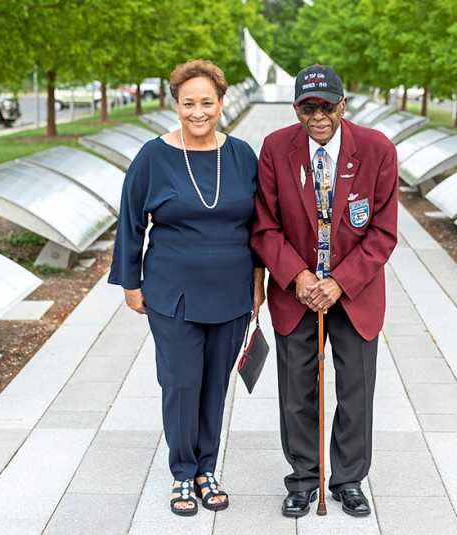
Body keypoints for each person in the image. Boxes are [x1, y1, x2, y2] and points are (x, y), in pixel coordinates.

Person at [108, 59, 265, 517]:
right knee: (180, 383)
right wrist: (130, 284)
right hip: (171, 292)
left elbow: (258, 226)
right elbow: (131, 223)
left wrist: (259, 281)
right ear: (175, 105)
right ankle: (182, 473)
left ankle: (206, 469)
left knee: (215, 382)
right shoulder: (152, 157)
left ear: (221, 103)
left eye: (207, 103)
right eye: (189, 103)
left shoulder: (240, 155)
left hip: (233, 291)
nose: (198, 112)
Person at [250, 64, 398, 518]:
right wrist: (298, 276)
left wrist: (339, 282)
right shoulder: (276, 149)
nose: (317, 116)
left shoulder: (376, 150)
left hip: (354, 295)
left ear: (343, 105)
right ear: (296, 108)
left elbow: (383, 232)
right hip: (296, 293)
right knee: (297, 391)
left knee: (356, 390)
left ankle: (348, 479)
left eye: (326, 106)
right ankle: (303, 478)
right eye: (307, 107)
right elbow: (265, 226)